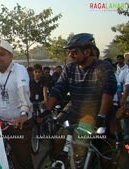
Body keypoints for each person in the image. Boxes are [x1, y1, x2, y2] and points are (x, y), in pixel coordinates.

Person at [42, 33, 117, 167]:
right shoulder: (69, 68)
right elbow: (59, 88)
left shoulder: (103, 67)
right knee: (58, 140)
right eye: (70, 52)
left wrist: (101, 116)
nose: (71, 55)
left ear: (87, 51)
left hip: (99, 118)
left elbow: (108, 91)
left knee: (105, 158)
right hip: (76, 116)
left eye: (74, 52)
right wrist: (47, 109)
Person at [0, 40, 34, 169]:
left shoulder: (19, 70)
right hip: (0, 124)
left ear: (11, 56)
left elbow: (23, 90)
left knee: (22, 161)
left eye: (2, 54)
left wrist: (24, 113)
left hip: (19, 124)